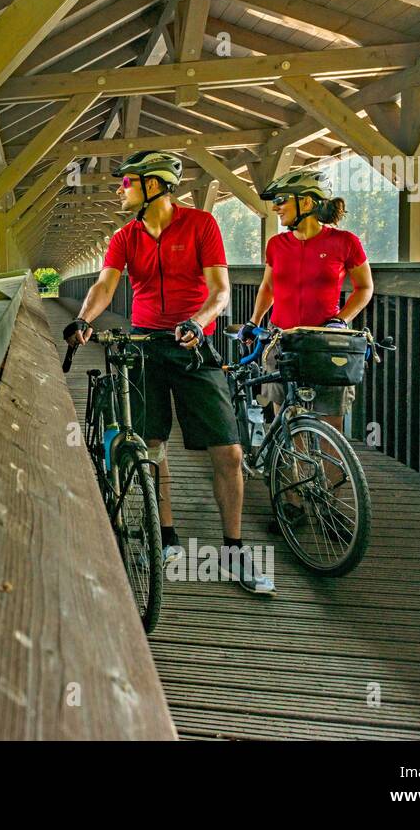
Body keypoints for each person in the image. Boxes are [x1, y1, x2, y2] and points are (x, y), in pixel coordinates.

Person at [64, 150, 275, 596]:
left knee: (229, 452)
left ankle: (235, 550)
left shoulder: (200, 225)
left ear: (154, 185)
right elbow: (105, 284)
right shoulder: (124, 237)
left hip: (194, 345)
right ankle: (168, 538)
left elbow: (219, 292)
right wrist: (84, 319)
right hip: (145, 345)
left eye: (128, 182)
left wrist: (197, 323)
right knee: (152, 447)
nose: (121, 189)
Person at [239, 168, 375, 531]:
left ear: (308, 202)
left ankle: (331, 502)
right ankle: (293, 500)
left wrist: (342, 319)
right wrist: (254, 322)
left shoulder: (345, 242)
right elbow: (268, 288)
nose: (278, 208)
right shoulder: (277, 245)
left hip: (326, 344)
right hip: (283, 341)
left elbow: (364, 288)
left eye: (283, 201)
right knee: (287, 420)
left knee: (330, 425)